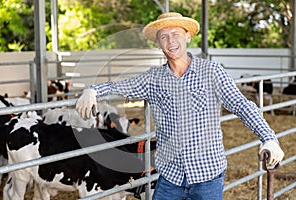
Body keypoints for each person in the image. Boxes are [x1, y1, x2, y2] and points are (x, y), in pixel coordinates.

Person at [76, 12, 284, 200]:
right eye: (163, 36)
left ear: (187, 36)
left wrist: (268, 137)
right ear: (158, 44)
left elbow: (240, 104)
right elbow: (120, 85)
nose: (170, 41)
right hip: (170, 178)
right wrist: (93, 90)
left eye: (175, 33)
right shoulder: (153, 79)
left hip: (207, 176)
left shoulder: (211, 72)